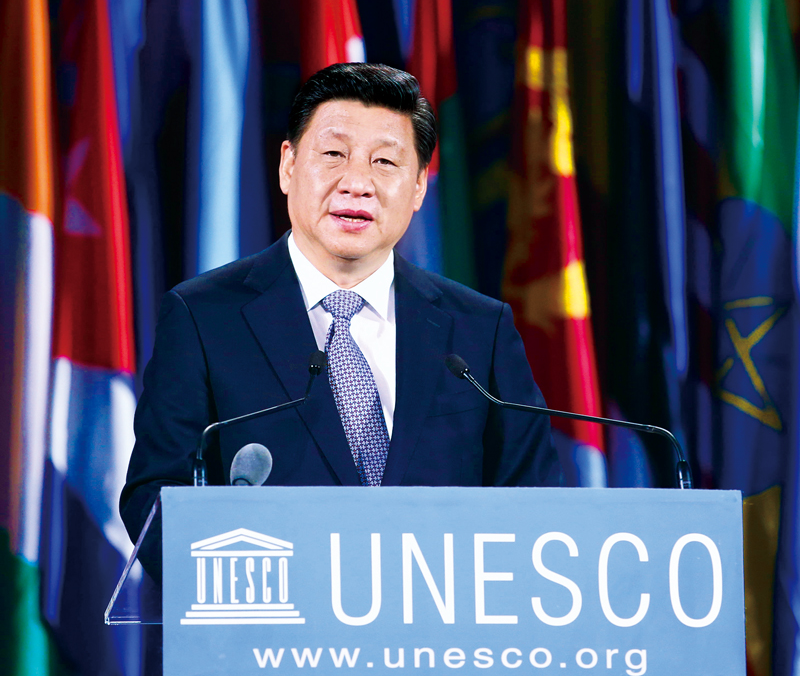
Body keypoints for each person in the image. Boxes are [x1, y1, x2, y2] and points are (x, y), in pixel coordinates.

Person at [120, 62, 561, 576]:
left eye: (385, 162)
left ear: (419, 186)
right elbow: (156, 501)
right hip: (275, 619)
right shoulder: (203, 317)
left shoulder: (480, 329)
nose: (357, 183)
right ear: (288, 166)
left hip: (444, 619)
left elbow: (536, 504)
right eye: (333, 155)